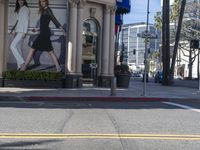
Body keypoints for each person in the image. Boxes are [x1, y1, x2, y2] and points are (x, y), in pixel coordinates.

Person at [21, 0, 66, 72]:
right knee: (50, 51)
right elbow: (44, 24)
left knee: (33, 49)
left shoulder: (48, 10)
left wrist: (62, 30)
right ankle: (58, 68)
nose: (42, 3)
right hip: (43, 33)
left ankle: (24, 66)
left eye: (43, 1)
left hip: (44, 34)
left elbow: (54, 20)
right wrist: (37, 29)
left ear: (46, 2)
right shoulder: (44, 10)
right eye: (41, 2)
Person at [10, 0, 30, 70]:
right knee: (18, 48)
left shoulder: (26, 9)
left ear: (24, 1)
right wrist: (15, 31)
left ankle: (22, 63)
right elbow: (18, 21)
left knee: (12, 46)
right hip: (18, 31)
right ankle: (19, 67)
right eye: (19, 0)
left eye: (22, 0)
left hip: (22, 32)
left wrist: (25, 32)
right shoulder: (19, 9)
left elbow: (26, 20)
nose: (20, 1)